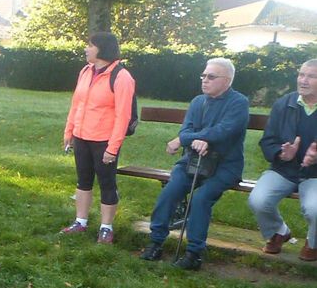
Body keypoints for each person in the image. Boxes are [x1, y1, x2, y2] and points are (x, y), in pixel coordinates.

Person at [139, 58, 249, 270]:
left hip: (225, 166)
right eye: (203, 75)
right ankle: (155, 242)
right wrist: (193, 139)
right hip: (192, 161)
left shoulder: (239, 102)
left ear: (227, 80)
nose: (204, 80)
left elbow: (225, 130)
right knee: (170, 192)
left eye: (211, 76)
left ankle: (194, 253)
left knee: (201, 199)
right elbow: (186, 131)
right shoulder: (198, 101)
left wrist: (191, 140)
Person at [61, 32, 136, 244]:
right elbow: (76, 104)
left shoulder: (121, 77)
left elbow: (123, 115)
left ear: (102, 49)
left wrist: (113, 148)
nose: (86, 48)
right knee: (83, 181)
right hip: (82, 136)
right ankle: (80, 222)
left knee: (107, 183)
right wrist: (69, 132)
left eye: (90, 45)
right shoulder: (86, 71)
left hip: (104, 140)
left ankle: (106, 228)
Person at [247, 59, 317, 262]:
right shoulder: (284, 104)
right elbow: (268, 140)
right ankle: (278, 232)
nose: (303, 80)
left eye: (311, 76)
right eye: (301, 74)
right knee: (258, 200)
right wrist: (281, 153)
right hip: (284, 169)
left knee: (315, 208)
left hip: (314, 175)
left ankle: (313, 243)